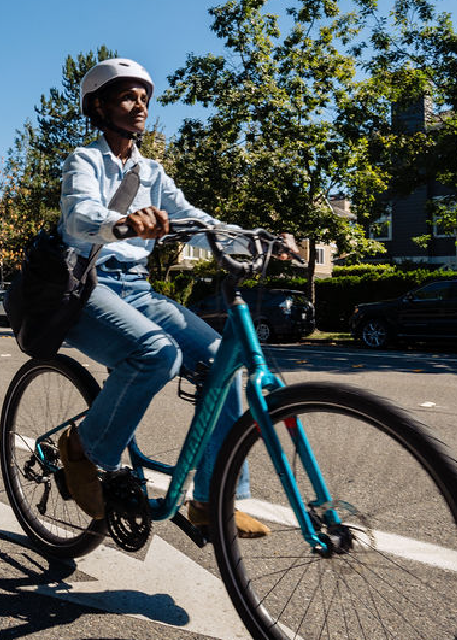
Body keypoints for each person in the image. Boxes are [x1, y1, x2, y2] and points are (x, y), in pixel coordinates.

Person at [56, 58, 298, 536]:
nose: (140, 105)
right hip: (87, 286)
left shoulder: (151, 171)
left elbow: (194, 218)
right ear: (100, 107)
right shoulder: (84, 160)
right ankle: (83, 450)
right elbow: (77, 215)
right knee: (156, 354)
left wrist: (253, 239)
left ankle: (211, 498)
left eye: (144, 98)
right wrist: (122, 223)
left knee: (221, 363)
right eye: (128, 97)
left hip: (137, 289)